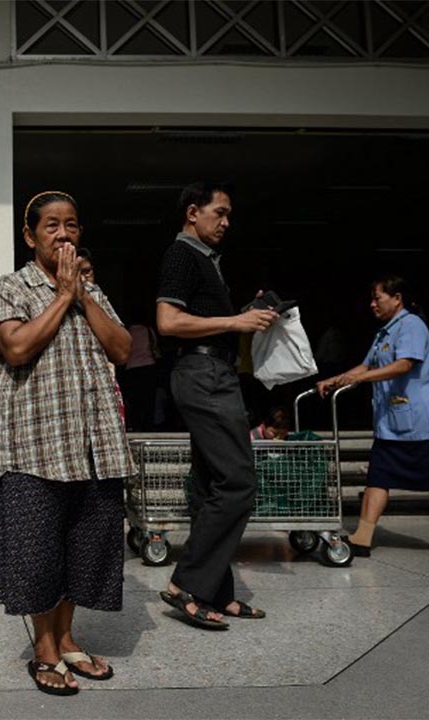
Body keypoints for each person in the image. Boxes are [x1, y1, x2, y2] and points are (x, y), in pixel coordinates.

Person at [0, 191, 132, 696]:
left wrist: (83, 295)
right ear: (30, 236)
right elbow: (18, 347)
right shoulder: (11, 288)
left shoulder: (93, 290)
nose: (63, 234)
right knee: (38, 554)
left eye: (71, 224)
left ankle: (68, 638)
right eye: (51, 225)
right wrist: (63, 298)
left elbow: (123, 348)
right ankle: (44, 648)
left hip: (95, 444)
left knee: (83, 550)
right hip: (36, 447)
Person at [155, 182, 278, 630]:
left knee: (212, 486)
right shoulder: (182, 255)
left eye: (229, 215)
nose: (226, 222)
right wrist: (236, 320)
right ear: (193, 212)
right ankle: (187, 584)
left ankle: (217, 593)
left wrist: (246, 317)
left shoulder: (205, 260)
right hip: (204, 376)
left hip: (214, 373)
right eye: (219, 213)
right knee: (239, 479)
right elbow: (167, 321)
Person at [318, 275, 429, 561]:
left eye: (377, 298)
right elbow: (365, 365)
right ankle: (362, 536)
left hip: (425, 423)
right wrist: (334, 380)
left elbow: (404, 364)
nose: (372, 304)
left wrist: (362, 379)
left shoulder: (412, 325)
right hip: (393, 424)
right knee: (378, 477)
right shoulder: (384, 332)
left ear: (397, 299)